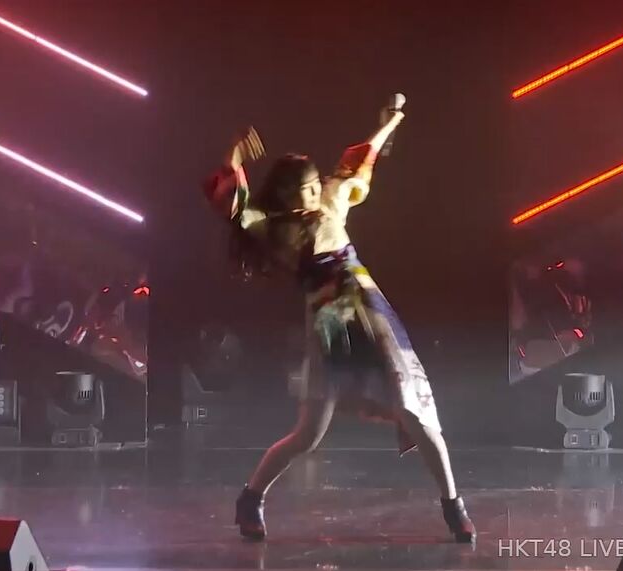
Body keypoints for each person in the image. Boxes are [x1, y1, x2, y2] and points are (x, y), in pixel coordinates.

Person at [202, 99, 475, 543]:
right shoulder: (271, 227)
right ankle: (251, 498)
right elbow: (234, 205)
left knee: (414, 406)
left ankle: (453, 504)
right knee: (308, 433)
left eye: (314, 186)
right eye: (303, 190)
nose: (313, 195)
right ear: (286, 194)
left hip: (372, 313)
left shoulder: (331, 199)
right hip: (329, 325)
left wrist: (390, 124)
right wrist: (232, 154)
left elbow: (360, 159)